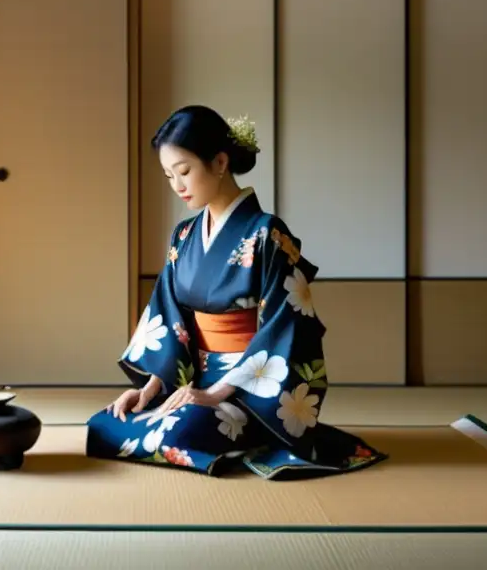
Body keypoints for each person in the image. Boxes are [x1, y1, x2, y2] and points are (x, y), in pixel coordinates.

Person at [85, 105, 388, 479]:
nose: (177, 186)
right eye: (168, 176)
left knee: (181, 431)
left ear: (220, 162)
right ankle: (183, 413)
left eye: (184, 171)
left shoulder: (266, 235)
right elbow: (170, 319)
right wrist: (150, 388)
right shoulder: (184, 236)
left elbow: (286, 328)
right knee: (108, 423)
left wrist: (215, 394)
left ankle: (236, 428)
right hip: (194, 382)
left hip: (250, 392)